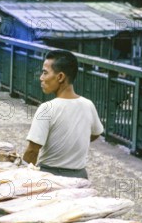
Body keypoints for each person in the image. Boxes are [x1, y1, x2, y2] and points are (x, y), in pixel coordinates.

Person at [23, 50, 104, 179]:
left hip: (50, 176)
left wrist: (22, 176)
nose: (41, 78)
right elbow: (96, 132)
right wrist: (72, 144)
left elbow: (33, 150)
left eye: (45, 73)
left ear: (60, 77)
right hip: (80, 176)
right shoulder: (88, 104)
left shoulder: (46, 108)